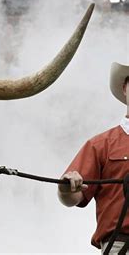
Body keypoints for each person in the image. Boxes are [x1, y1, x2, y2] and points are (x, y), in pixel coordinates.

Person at [58, 62, 129, 254]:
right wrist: (66, 188)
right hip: (120, 246)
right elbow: (72, 197)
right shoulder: (101, 144)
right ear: (125, 88)